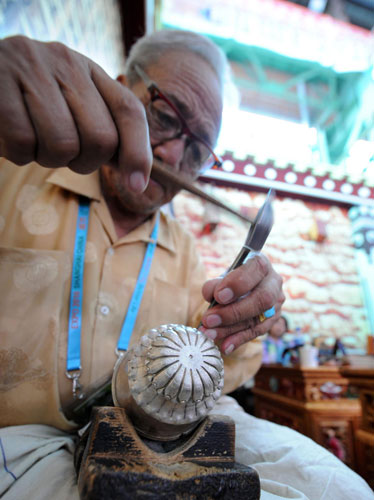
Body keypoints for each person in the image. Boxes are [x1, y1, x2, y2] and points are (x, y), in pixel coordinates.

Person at [0, 30, 372, 500]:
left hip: (148, 430)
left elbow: (212, 352)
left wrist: (238, 322)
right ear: (119, 90)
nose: (173, 154)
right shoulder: (12, 173)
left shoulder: (185, 252)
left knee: (339, 488)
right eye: (164, 115)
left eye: (198, 150)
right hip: (18, 438)